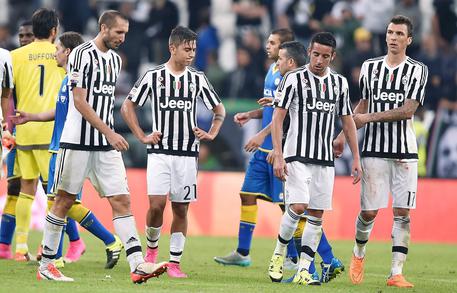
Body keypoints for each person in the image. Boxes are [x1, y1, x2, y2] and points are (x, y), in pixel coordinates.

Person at [37, 10, 167, 282]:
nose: (122, 38)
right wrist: (110, 132)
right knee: (64, 200)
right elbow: (80, 101)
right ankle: (47, 264)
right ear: (103, 28)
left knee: (122, 200)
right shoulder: (82, 54)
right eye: (118, 32)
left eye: (125, 33)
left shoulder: (115, 61)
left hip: (104, 146)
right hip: (77, 141)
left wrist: (110, 135)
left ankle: (137, 264)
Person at [214, 29, 344, 283]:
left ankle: (319, 260)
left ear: (289, 54)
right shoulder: (273, 71)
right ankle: (244, 251)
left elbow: (282, 118)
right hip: (268, 150)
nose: (267, 47)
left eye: (273, 44)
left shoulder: (297, 78)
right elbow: (273, 108)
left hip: (285, 149)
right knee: (248, 195)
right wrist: (251, 115)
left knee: (293, 208)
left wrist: (267, 140)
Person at [12, 31, 123, 269]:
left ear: (69, 52)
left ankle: (109, 240)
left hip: (67, 149)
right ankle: (60, 254)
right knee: (59, 203)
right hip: (58, 148)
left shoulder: (80, 82)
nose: (55, 52)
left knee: (62, 203)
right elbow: (59, 111)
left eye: (58, 49)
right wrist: (31, 117)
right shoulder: (67, 80)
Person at [121, 26, 225, 278]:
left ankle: (175, 263)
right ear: (172, 48)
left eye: (194, 50)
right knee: (156, 205)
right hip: (159, 153)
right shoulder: (153, 76)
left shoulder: (197, 78)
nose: (191, 54)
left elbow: (219, 110)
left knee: (180, 209)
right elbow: (127, 106)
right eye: (187, 49)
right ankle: (152, 253)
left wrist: (211, 133)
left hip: (188, 155)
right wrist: (142, 136)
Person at [334, 15, 428, 288]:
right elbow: (362, 104)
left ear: (409, 39)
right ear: (385, 36)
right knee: (369, 212)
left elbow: (408, 110)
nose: (394, 38)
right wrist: (342, 134)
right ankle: (358, 253)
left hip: (404, 152)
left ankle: (396, 272)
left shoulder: (418, 70)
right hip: (373, 150)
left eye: (400, 34)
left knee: (402, 213)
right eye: (390, 32)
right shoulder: (369, 67)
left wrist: (367, 119)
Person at [268, 32, 361, 285]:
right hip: (296, 154)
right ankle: (278, 254)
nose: (319, 60)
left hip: (324, 158)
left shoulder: (339, 83)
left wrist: (356, 158)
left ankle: (304, 271)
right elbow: (278, 118)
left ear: (333, 57)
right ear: (309, 52)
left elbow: (348, 121)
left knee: (317, 216)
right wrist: (278, 153)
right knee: (298, 207)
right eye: (316, 54)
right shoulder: (294, 79)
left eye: (325, 56)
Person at [10, 8, 66, 261]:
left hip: (23, 129)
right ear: (54, 31)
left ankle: (20, 247)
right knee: (56, 195)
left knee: (26, 189)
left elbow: (8, 94)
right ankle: (51, 250)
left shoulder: (15, 56)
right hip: (50, 131)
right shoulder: (63, 55)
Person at [0, 20, 34, 260]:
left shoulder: (54, 60)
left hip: (45, 132)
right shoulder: (11, 59)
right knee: (13, 186)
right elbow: (7, 95)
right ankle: (4, 246)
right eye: (21, 35)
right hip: (17, 131)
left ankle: (72, 242)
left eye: (29, 35)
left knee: (56, 192)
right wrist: (7, 126)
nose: (23, 39)